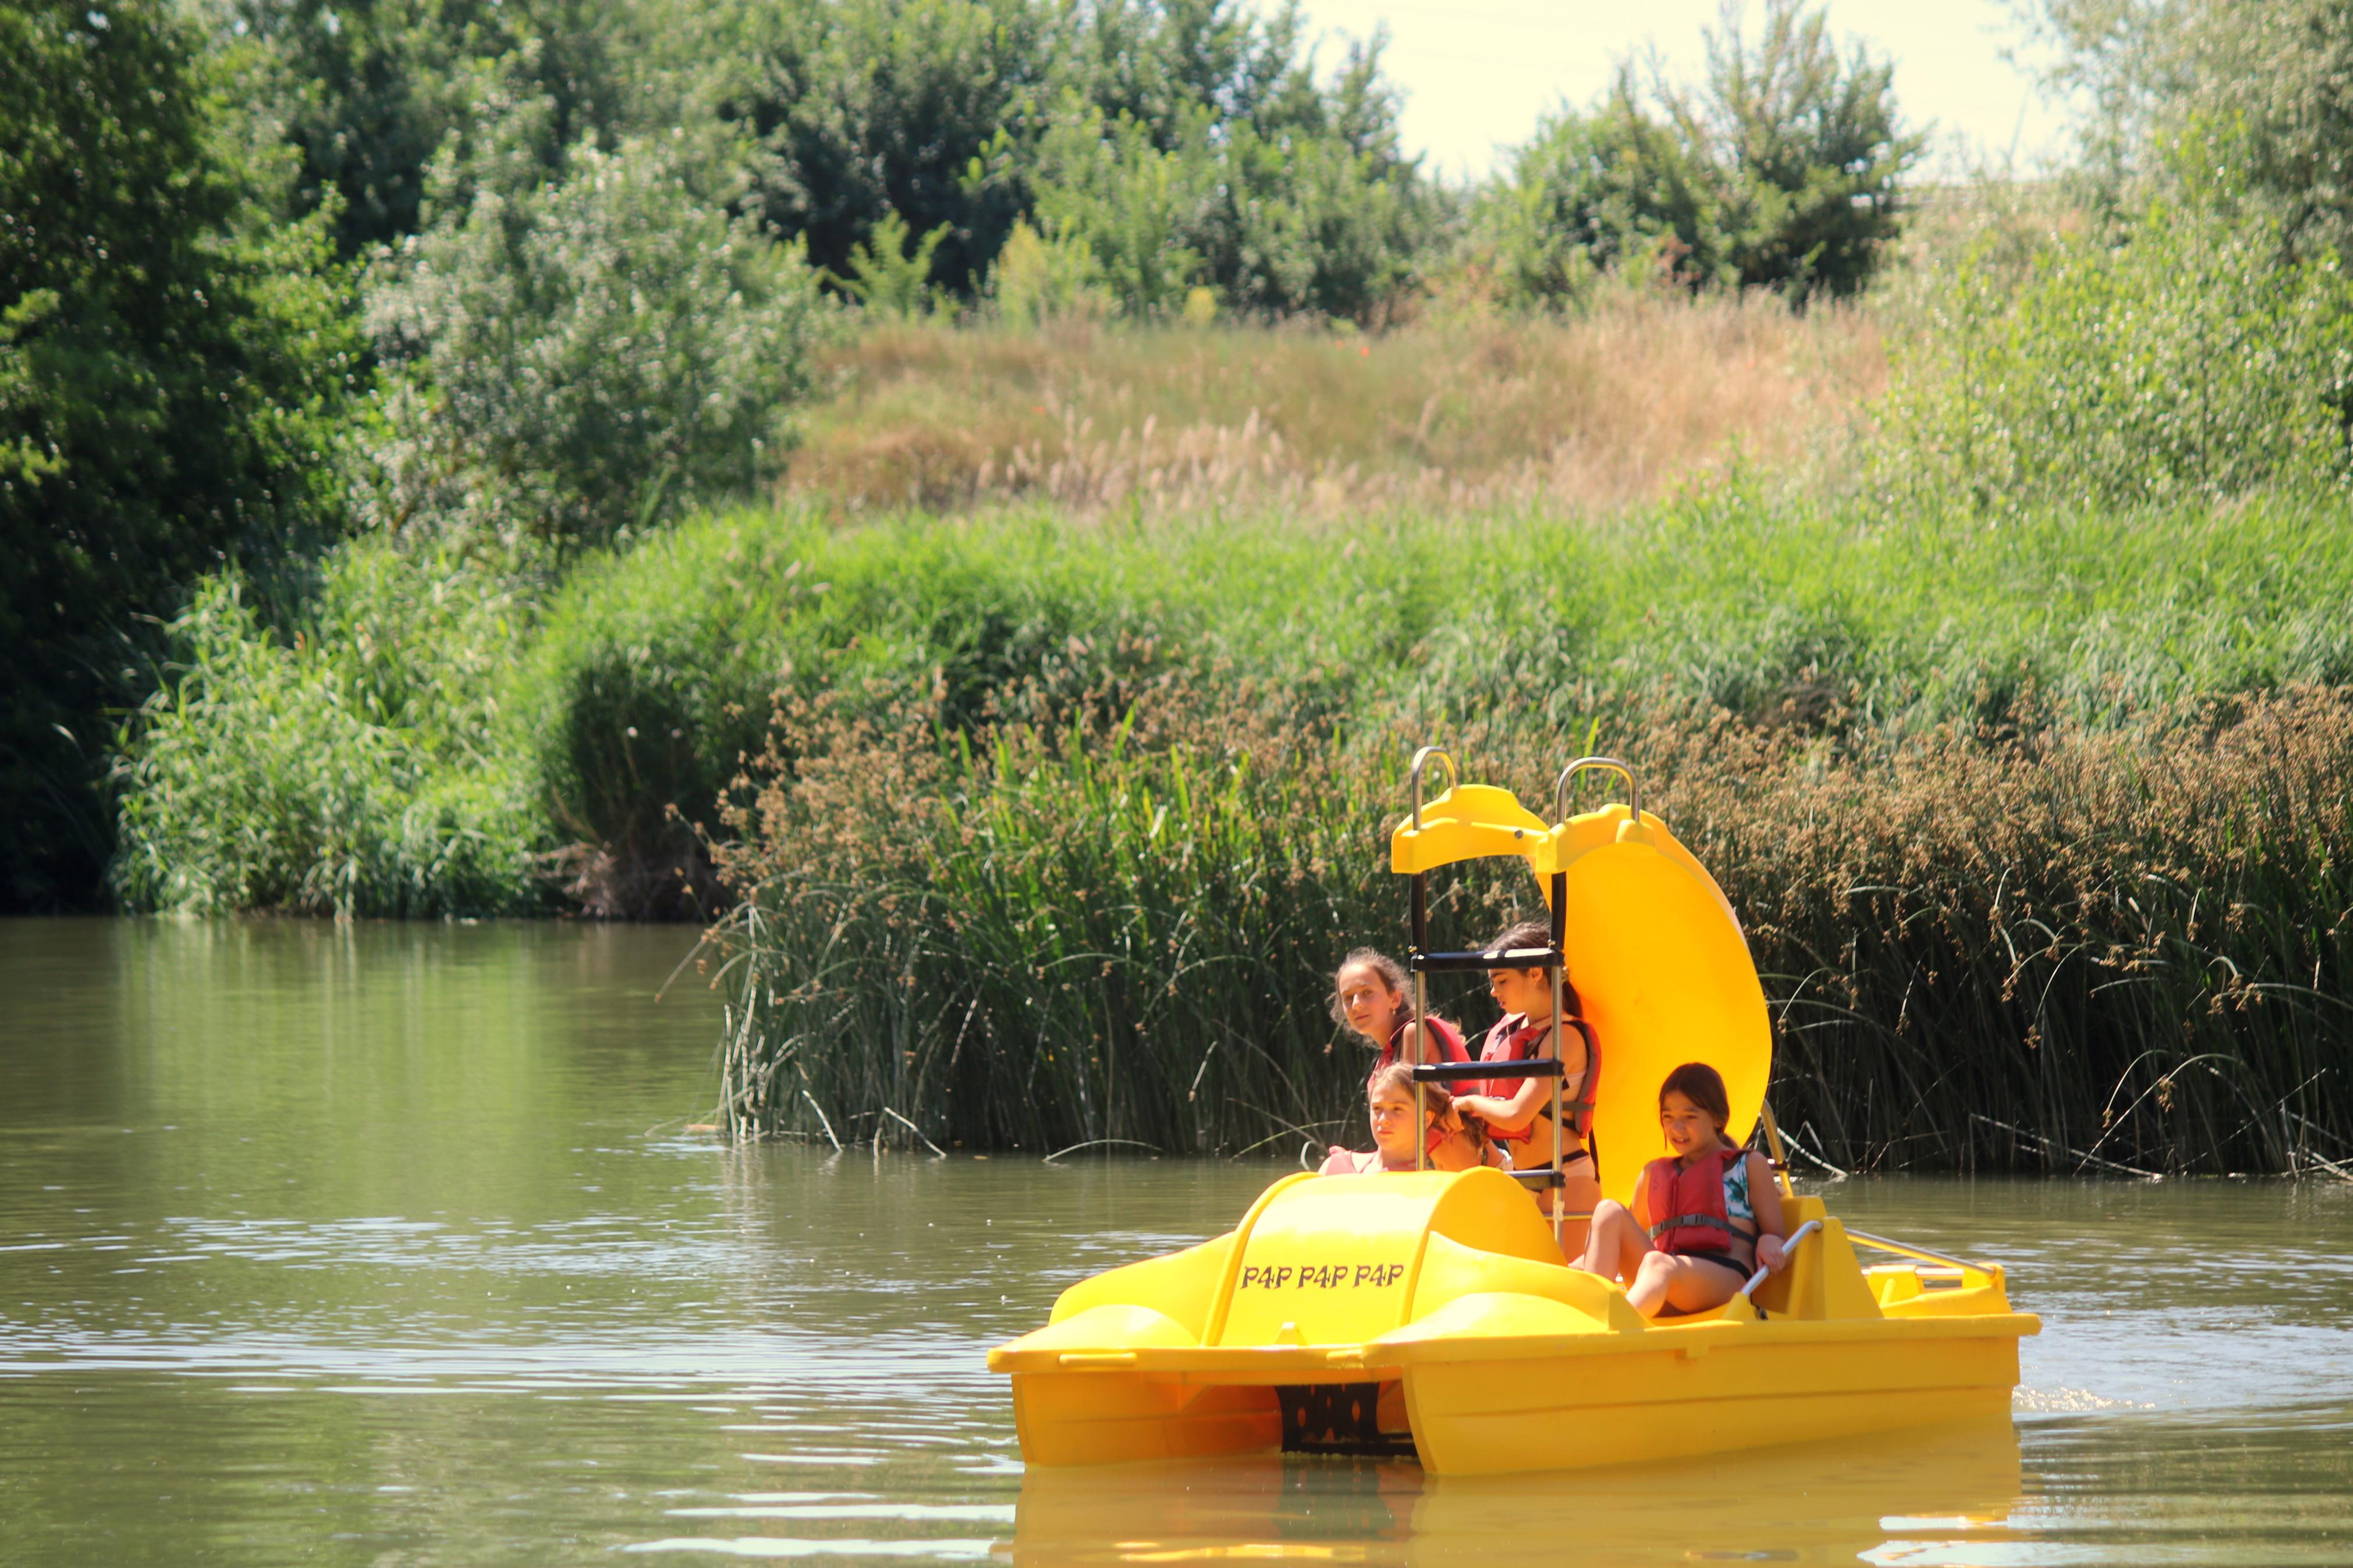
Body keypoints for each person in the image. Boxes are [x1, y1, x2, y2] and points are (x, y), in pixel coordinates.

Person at [1574, 1061, 1789, 1318]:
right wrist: (1580, 1266)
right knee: (1608, 1210)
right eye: (1668, 1118)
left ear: (1718, 1118)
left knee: (1657, 1264)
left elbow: (1776, 1234)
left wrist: (1769, 1240)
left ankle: (1608, 1330)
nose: (1677, 1129)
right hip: (1665, 1282)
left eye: (1690, 1117)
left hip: (1725, 1282)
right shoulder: (1652, 1173)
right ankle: (1588, 1315)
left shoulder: (1749, 1165)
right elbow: (1623, 1237)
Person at [1446, 918, 1602, 1257]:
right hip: (1520, 1181)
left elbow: (1517, 1115)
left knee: (1564, 1290)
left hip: (1566, 1179)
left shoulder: (1566, 1037)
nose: (1493, 991)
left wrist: (1468, 1104)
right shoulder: (1512, 1031)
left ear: (1535, 974)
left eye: (1502, 981)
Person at [1321, 1062, 1507, 1174]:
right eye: (1377, 1108)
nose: (1383, 1119)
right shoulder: (1336, 1166)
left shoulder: (1431, 1185)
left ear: (1426, 1119)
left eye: (1397, 1109)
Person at [1330, 947, 1469, 1087]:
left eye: (1367, 992)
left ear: (1395, 999)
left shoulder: (1414, 1033)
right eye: (1348, 998)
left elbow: (1404, 1103)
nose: (1356, 1004)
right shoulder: (1385, 1059)